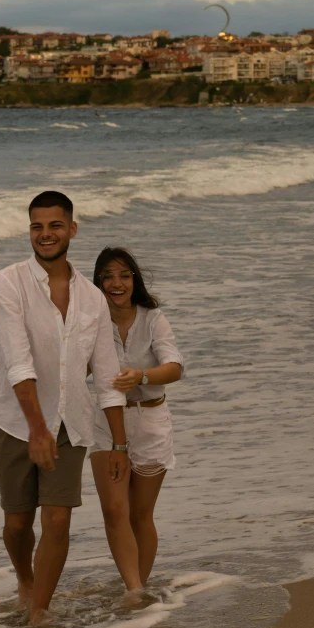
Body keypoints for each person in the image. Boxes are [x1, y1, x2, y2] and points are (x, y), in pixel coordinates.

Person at [0, 192, 127, 626]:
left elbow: (106, 375)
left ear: (72, 229)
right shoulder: (8, 283)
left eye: (54, 225)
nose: (45, 234)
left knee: (58, 521)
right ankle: (25, 578)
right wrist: (36, 429)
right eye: (37, 226)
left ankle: (38, 612)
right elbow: (18, 361)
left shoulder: (92, 298)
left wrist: (119, 442)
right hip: (15, 422)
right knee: (16, 525)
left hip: (71, 423)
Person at [89, 247, 184, 592]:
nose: (116, 283)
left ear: (134, 280)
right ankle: (134, 591)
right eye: (108, 276)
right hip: (105, 421)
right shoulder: (92, 321)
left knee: (140, 515)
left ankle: (138, 588)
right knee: (115, 512)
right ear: (98, 282)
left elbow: (174, 368)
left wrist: (142, 375)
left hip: (151, 420)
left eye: (124, 275)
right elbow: (79, 367)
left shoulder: (152, 318)